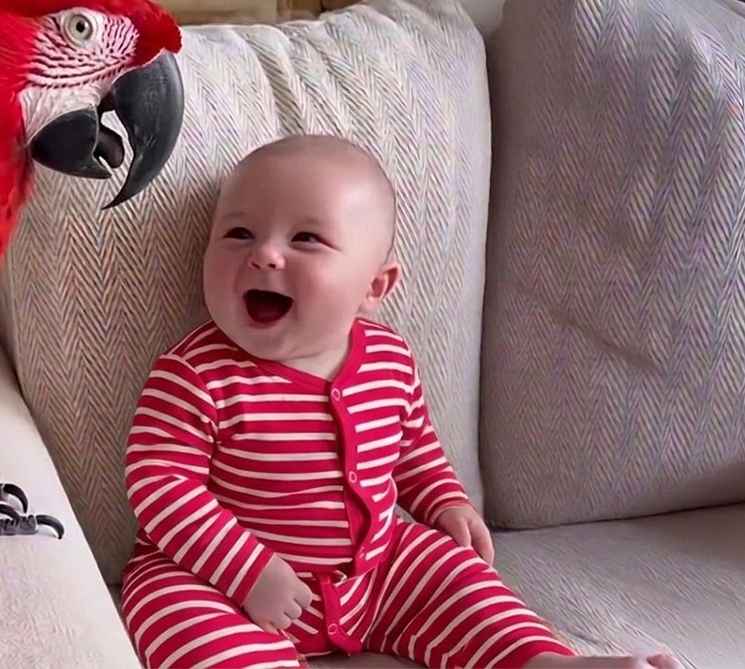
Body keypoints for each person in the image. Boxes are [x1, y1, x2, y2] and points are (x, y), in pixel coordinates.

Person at [118, 135, 683, 669]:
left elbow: (413, 449)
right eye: (238, 233)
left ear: (374, 286)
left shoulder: (388, 358)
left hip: (376, 573)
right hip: (216, 579)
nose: (265, 254)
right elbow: (160, 484)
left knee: (455, 575)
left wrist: (446, 503)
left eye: (306, 239)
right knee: (172, 613)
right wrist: (247, 571)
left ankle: (542, 661)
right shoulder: (195, 373)